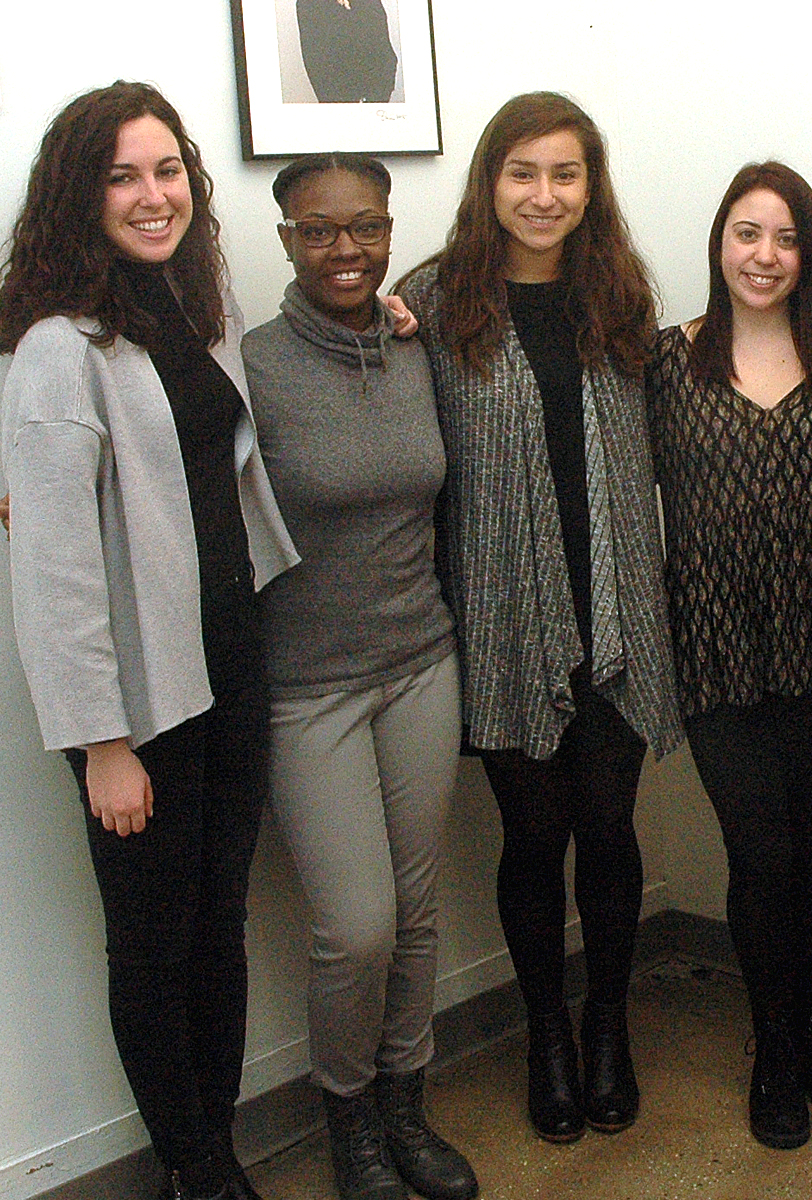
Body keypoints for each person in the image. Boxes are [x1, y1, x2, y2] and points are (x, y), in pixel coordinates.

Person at [0, 82, 299, 1200]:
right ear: (80, 196)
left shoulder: (190, 306)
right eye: (123, 175)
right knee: (154, 946)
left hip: (231, 671)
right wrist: (101, 743)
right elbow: (57, 573)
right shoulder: (53, 350)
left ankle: (209, 1145)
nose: (153, 194)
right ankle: (193, 1164)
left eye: (167, 169)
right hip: (143, 708)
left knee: (220, 929)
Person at [397, 92, 681, 1144]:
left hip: (618, 614)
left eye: (566, 174)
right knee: (533, 835)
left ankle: (609, 1027)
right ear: (490, 182)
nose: (545, 195)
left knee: (609, 830)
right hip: (502, 614)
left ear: (590, 187)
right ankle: (547, 1036)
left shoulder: (618, 294)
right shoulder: (430, 304)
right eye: (524, 173)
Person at [241, 154, 478, 1200]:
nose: (348, 248)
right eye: (320, 230)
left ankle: (404, 1109)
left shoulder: (414, 341)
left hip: (422, 662)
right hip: (308, 685)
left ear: (390, 231)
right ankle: (348, 1121)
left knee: (418, 913)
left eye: (368, 226)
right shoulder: (246, 365)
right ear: (285, 238)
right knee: (357, 926)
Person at [646, 162, 812, 1149]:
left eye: (786, 239)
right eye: (747, 233)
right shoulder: (666, 361)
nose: (764, 256)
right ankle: (774, 1042)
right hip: (713, 637)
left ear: (808, 256)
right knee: (760, 850)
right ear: (718, 244)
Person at [296, 0, 398, 104]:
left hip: (373, 97)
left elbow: (386, 59)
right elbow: (319, 69)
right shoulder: (309, 5)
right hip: (341, 100)